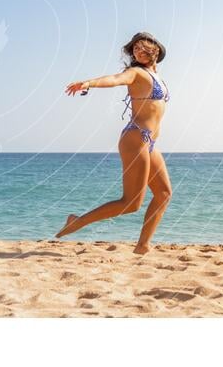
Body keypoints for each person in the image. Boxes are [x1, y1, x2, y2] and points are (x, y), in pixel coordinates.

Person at [56, 32, 172, 254]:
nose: (137, 51)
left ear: (154, 48)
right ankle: (77, 221)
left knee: (164, 193)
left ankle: (143, 245)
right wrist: (88, 83)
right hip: (135, 138)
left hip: (150, 143)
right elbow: (115, 79)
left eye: (141, 46)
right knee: (131, 203)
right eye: (134, 48)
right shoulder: (135, 72)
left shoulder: (157, 77)